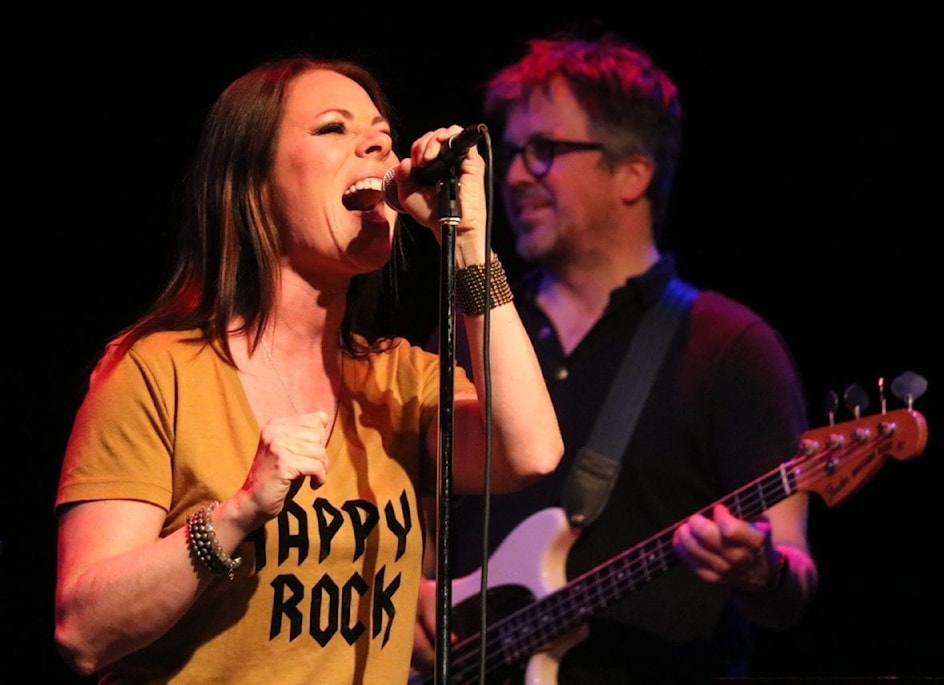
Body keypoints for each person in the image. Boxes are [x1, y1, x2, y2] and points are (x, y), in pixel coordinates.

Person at [53, 55, 563, 685]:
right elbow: (84, 632)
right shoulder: (157, 372)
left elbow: (532, 451)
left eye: (380, 132)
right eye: (332, 129)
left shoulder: (396, 380)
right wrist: (235, 516)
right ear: (254, 185)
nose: (378, 144)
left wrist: (470, 245)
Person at [411, 31, 819, 683]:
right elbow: (424, 509)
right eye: (512, 152)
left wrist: (761, 569)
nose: (514, 175)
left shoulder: (732, 346)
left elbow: (793, 574)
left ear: (633, 173)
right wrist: (413, 592)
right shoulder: (477, 326)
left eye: (544, 151)